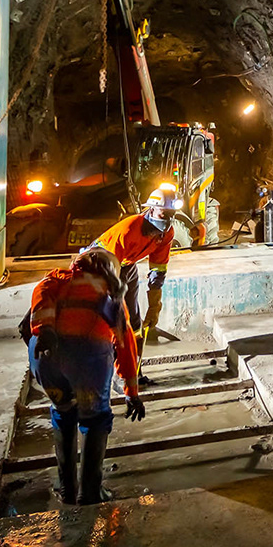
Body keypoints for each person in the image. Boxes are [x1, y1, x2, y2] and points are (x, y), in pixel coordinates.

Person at [20, 248, 146, 505]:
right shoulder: (109, 293)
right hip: (89, 361)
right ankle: (89, 493)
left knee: (63, 412)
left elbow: (27, 325)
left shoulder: (54, 281)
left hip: (46, 360)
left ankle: (67, 489)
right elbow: (125, 347)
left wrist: (47, 348)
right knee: (95, 419)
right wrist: (131, 394)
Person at [88, 186, 179, 344]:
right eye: (164, 214)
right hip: (99, 263)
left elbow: (158, 268)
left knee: (132, 312)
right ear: (151, 209)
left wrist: (154, 305)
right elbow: (111, 268)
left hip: (126, 264)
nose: (168, 220)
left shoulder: (166, 234)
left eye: (172, 214)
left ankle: (134, 343)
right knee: (111, 310)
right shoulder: (129, 230)